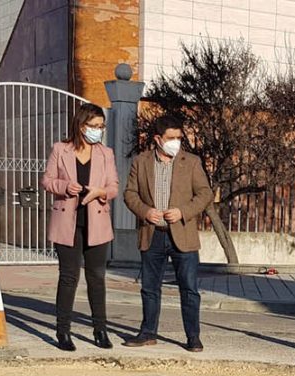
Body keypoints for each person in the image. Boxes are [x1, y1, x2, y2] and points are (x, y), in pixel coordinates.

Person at [121, 114, 213, 351]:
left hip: (182, 234)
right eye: (171, 138)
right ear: (158, 139)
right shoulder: (141, 162)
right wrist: (145, 211)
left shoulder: (191, 162)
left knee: (189, 288)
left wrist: (183, 212)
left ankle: (193, 336)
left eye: (179, 137)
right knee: (150, 287)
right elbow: (130, 194)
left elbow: (205, 194)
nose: (176, 142)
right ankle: (148, 332)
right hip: (152, 233)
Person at [41, 103, 118, 350]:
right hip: (68, 221)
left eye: (101, 126)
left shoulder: (106, 153)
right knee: (68, 277)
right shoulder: (60, 149)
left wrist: (101, 191)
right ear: (81, 125)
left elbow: (114, 186)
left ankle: (100, 330)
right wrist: (65, 187)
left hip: (97, 221)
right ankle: (63, 332)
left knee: (97, 277)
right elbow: (47, 180)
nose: (99, 130)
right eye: (94, 126)